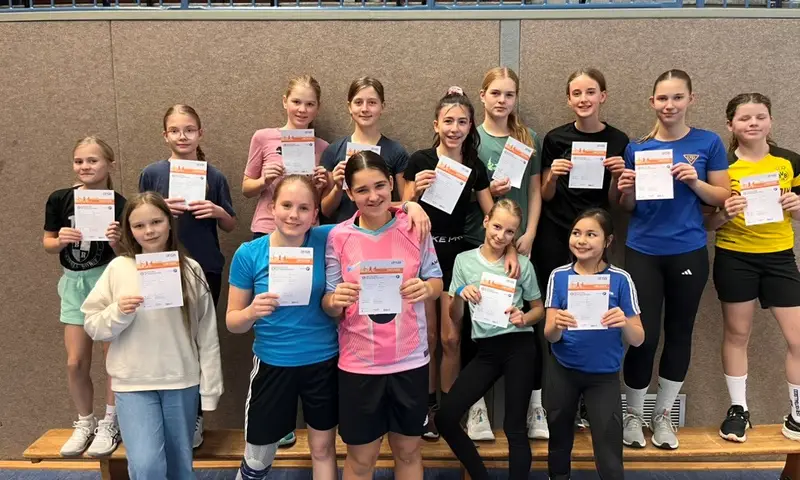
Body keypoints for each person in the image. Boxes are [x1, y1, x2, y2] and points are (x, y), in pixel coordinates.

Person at [617, 69, 730, 450]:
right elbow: (629, 208)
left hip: (688, 250)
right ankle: (633, 414)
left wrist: (694, 181)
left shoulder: (708, 142)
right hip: (643, 251)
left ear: (690, 100)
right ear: (652, 102)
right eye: (663, 98)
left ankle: (663, 416)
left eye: (677, 97)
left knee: (679, 332)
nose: (670, 105)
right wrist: (626, 190)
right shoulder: (637, 147)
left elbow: (722, 197)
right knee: (642, 336)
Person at [403, 86, 518, 440]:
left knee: (452, 339)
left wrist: (511, 249)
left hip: (456, 257)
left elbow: (493, 214)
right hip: (422, 257)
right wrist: (414, 193)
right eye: (448, 121)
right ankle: (426, 407)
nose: (455, 128)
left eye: (462, 122)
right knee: (428, 337)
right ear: (436, 124)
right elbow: (400, 209)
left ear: (470, 126)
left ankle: (448, 412)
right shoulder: (419, 161)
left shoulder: (474, 166)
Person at [82, 192, 223, 479]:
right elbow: (93, 325)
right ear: (129, 230)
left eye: (156, 222)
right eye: (139, 225)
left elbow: (207, 334)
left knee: (180, 466)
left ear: (169, 222)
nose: (149, 231)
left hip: (180, 381)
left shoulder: (191, 270)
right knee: (147, 466)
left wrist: (210, 390)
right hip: (133, 383)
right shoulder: (118, 268)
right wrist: (119, 312)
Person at [324, 151, 442, 480]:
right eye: (362, 190)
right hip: (359, 365)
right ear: (349, 193)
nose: (373, 196)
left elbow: (436, 280)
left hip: (410, 361)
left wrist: (426, 289)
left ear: (391, 183)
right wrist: (335, 300)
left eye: (379, 185)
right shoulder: (338, 237)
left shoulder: (415, 226)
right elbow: (328, 301)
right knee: (362, 459)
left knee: (408, 452)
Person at [227, 175, 339, 480]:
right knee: (258, 457)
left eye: (304, 208)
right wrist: (251, 312)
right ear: (271, 208)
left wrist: (409, 207)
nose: (294, 215)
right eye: (286, 205)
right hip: (273, 363)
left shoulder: (327, 239)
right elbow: (233, 322)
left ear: (315, 214)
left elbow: (369, 217)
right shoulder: (249, 253)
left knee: (323, 450)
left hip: (323, 362)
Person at [536, 67, 629, 432]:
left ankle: (591, 399)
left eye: (590, 92)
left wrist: (618, 177)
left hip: (595, 238)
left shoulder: (618, 140)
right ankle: (556, 402)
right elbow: (545, 195)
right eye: (577, 93)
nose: (584, 99)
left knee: (596, 313)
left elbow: (616, 203)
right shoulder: (555, 138)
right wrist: (553, 176)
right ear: (568, 99)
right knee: (556, 317)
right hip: (556, 234)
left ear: (602, 96)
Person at [138, 104, 236, 447]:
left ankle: (195, 417)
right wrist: (160, 209)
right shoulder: (152, 173)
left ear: (200, 133)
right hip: (161, 265)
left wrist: (217, 210)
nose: (183, 136)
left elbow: (230, 224)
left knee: (198, 340)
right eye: (175, 130)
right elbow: (139, 219)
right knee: (165, 339)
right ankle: (166, 416)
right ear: (165, 135)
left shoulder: (215, 176)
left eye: (190, 129)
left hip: (205, 266)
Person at [705, 93, 800, 443]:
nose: (753, 123)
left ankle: (797, 414)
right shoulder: (722, 167)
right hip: (735, 257)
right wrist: (724, 214)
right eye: (745, 118)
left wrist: (797, 206)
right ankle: (738, 410)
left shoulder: (790, 162)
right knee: (737, 335)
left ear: (771, 121)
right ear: (730, 125)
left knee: (797, 338)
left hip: (780, 258)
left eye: (760, 116)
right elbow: (706, 224)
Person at [462, 66, 545, 441]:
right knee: (475, 319)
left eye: (509, 94)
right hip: (480, 240)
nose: (502, 100)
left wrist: (529, 234)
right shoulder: (470, 138)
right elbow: (464, 196)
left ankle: (535, 405)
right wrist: (486, 197)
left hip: (520, 242)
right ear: (482, 96)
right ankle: (476, 407)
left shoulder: (527, 138)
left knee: (524, 319)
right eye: (495, 93)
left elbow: (535, 191)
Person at [437, 199, 544, 480]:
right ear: (486, 222)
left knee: (514, 428)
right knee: (445, 418)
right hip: (486, 350)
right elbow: (455, 317)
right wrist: (460, 294)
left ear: (515, 234)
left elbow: (539, 310)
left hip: (519, 345)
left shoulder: (521, 265)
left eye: (509, 232)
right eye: (497, 227)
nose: (501, 235)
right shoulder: (464, 261)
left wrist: (524, 317)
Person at [544, 208, 643, 480]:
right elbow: (550, 336)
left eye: (591, 234)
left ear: (608, 241)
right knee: (559, 442)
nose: (581, 240)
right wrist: (557, 324)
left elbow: (638, 338)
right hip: (563, 370)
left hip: (603, 376)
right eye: (576, 233)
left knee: (609, 451)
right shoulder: (559, 276)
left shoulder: (620, 279)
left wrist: (624, 322)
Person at [43, 136, 125, 458]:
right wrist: (60, 240)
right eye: (79, 161)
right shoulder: (60, 198)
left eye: (93, 160)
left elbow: (127, 253)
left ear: (109, 165)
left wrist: (116, 241)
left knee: (113, 360)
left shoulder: (119, 203)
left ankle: (110, 422)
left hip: (106, 281)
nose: (85, 166)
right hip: (74, 284)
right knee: (75, 362)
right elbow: (48, 244)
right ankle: (85, 421)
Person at [243, 75, 330, 240]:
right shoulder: (263, 137)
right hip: (268, 227)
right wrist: (264, 181)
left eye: (310, 104)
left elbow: (322, 203)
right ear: (285, 101)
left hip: (306, 229)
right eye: (296, 102)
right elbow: (246, 190)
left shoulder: (323, 147)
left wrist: (319, 187)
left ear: (318, 107)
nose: (302, 110)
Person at [321, 76, 409, 224]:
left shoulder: (396, 152)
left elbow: (405, 204)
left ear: (382, 106)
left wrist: (378, 204)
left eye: (372, 102)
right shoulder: (334, 150)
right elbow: (325, 210)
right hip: (342, 232)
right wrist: (337, 187)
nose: (365, 109)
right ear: (349, 107)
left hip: (382, 230)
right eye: (358, 102)